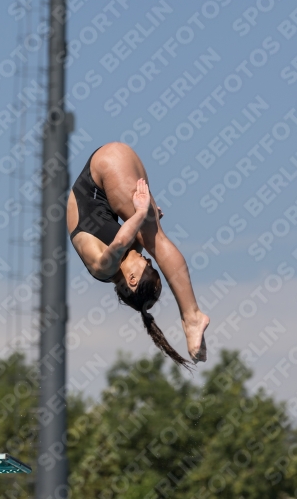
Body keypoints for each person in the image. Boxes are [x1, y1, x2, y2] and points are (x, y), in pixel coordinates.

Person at [67, 142, 209, 370]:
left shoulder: (103, 266)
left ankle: (192, 317)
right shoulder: (127, 260)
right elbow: (130, 235)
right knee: (153, 237)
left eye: (149, 268)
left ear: (132, 280)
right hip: (108, 170)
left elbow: (121, 240)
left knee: (157, 240)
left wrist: (143, 213)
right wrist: (149, 217)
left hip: (103, 170)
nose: (150, 262)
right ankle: (191, 317)